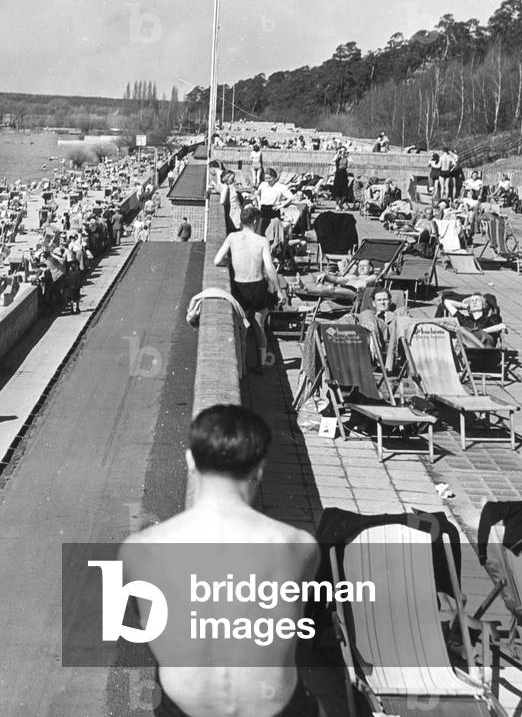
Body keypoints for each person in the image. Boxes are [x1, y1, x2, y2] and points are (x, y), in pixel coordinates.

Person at [120, 406, 322, 717]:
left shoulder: (139, 551)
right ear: (260, 468)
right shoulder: (299, 546)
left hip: (184, 708)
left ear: (190, 460)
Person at [213, 206, 282, 373]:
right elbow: (270, 268)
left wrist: (230, 262)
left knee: (242, 330)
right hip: (258, 286)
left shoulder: (232, 237)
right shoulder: (262, 241)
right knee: (259, 328)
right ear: (256, 221)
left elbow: (217, 261)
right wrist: (279, 290)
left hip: (239, 287)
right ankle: (262, 364)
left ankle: (242, 367)